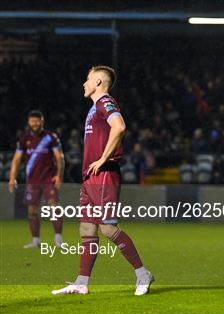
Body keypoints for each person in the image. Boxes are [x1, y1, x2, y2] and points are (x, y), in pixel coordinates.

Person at [52, 65, 153, 296]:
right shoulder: (93, 108)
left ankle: (142, 273)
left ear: (98, 82)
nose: (84, 84)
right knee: (87, 228)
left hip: (105, 174)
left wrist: (102, 158)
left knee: (107, 227)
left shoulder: (105, 102)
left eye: (87, 79)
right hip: (91, 177)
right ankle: (81, 282)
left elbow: (119, 127)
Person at [9, 110, 65, 248]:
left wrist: (59, 176)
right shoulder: (24, 139)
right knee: (32, 211)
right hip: (32, 181)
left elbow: (59, 157)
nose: (34, 123)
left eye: (37, 121)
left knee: (54, 207)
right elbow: (16, 160)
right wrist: (12, 178)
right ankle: (36, 240)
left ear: (42, 121)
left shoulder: (50, 137)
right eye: (32, 121)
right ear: (28, 122)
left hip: (49, 180)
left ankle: (58, 239)